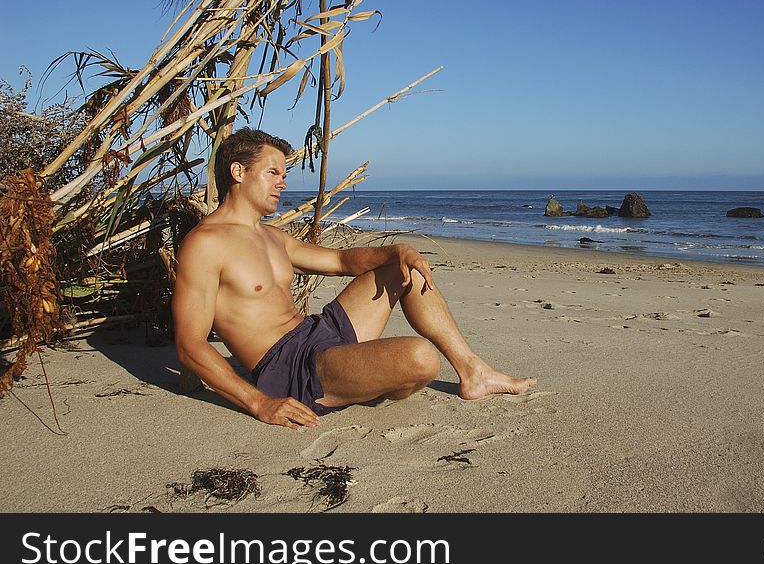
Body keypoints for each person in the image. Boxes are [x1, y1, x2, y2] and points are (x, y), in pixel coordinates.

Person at [172, 128, 536, 429]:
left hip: (318, 334)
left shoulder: (271, 236)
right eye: (273, 173)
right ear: (239, 172)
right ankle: (369, 382)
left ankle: (474, 372)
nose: (282, 183)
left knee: (401, 269)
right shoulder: (206, 244)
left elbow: (341, 261)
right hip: (291, 367)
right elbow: (190, 344)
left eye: (284, 175)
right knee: (421, 358)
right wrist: (259, 403)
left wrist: (396, 251)